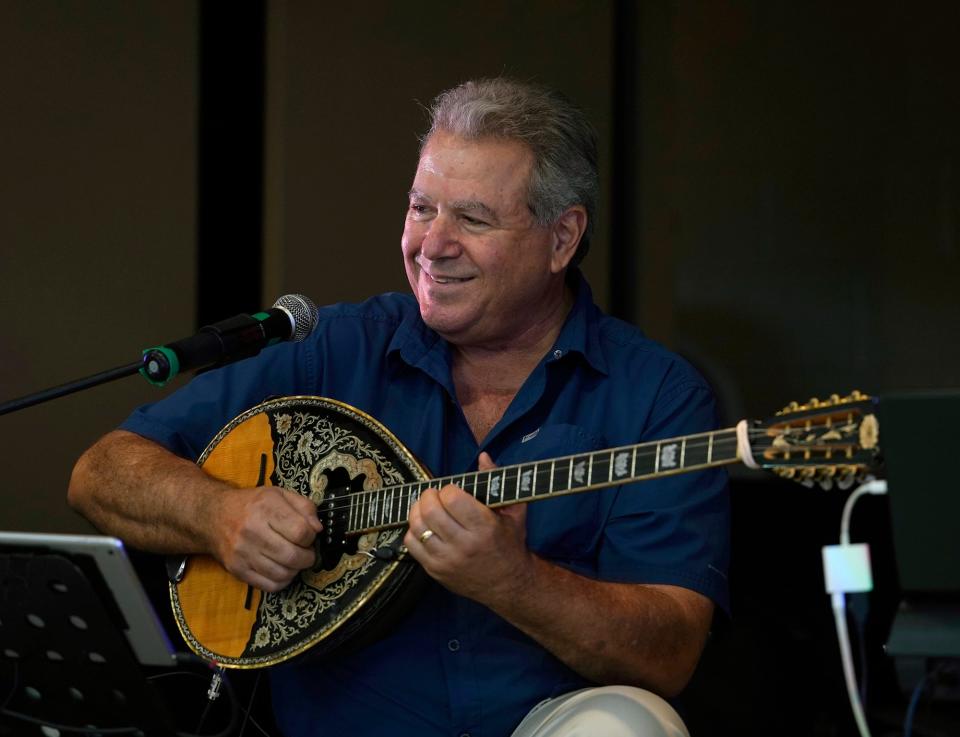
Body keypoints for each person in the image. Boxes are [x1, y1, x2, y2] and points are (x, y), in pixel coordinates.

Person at [68, 77, 730, 737]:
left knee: (633, 724)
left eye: (472, 218)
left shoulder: (657, 396)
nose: (432, 245)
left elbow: (668, 654)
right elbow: (102, 471)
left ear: (562, 238)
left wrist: (514, 581)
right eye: (421, 209)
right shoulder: (333, 350)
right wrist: (218, 514)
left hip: (542, 721)